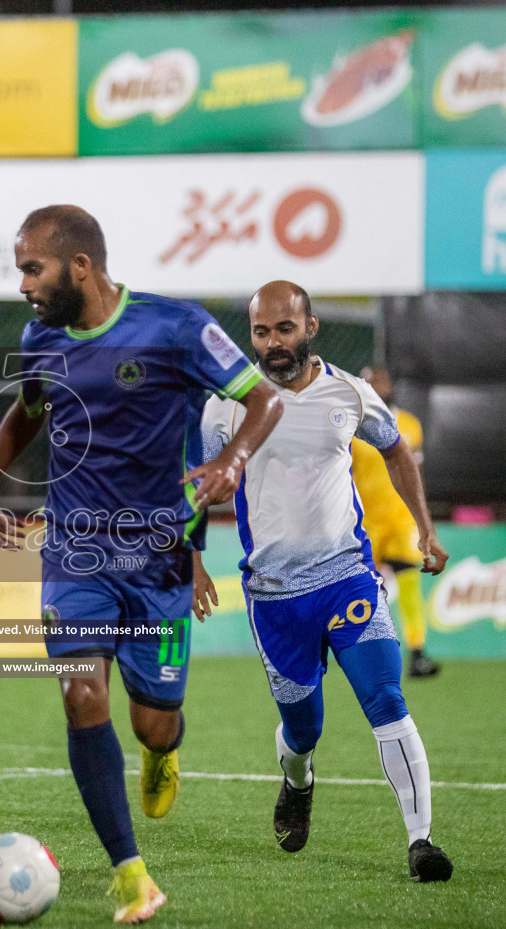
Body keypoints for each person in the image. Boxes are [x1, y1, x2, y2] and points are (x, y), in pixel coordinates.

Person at [0, 206, 282, 924]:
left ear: (80, 266)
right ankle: (130, 873)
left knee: (154, 723)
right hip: (75, 550)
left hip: (159, 558)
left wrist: (232, 460)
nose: (23, 285)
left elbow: (261, 399)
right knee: (80, 694)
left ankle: (163, 750)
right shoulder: (40, 336)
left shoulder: (174, 327)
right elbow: (31, 409)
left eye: (32, 268)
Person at [194, 281, 453, 882]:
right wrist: (193, 561)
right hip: (276, 598)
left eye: (284, 329)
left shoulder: (351, 393)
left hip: (347, 578)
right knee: (303, 728)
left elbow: (396, 453)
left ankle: (422, 843)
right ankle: (297, 779)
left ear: (310, 327)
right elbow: (197, 485)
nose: (272, 343)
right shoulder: (224, 408)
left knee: (386, 698)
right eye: (261, 331)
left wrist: (425, 529)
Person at [351, 366, 440, 678]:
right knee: (359, 592)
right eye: (370, 382)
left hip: (401, 521)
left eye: (382, 381)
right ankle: (360, 653)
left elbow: (417, 475)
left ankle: (417, 654)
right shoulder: (351, 426)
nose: (377, 386)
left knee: (410, 586)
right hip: (365, 524)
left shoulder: (410, 425)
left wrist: (424, 520)